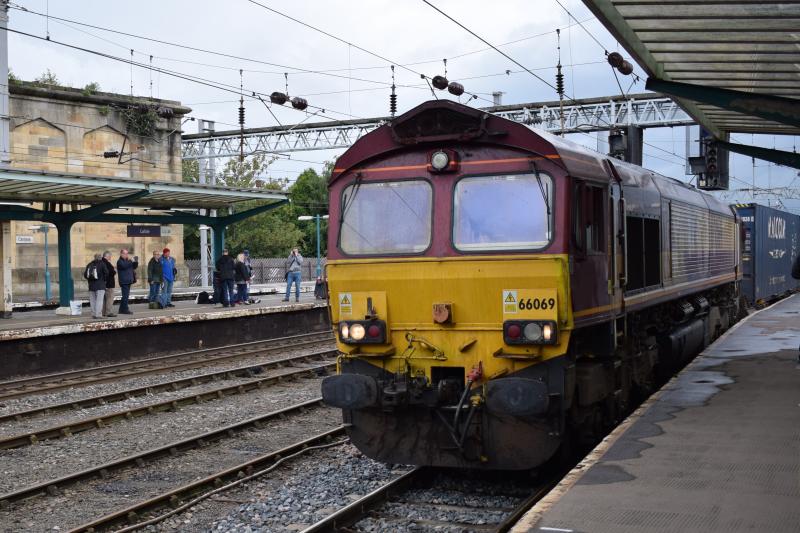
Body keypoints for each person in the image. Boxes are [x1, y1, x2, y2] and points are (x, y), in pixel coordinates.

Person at [84, 253, 108, 319]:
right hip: (100, 285)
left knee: (93, 300)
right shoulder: (102, 264)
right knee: (99, 300)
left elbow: (85, 275)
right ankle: (98, 314)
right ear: (100, 257)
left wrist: (90, 280)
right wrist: (104, 280)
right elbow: (106, 273)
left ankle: (94, 314)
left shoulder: (89, 264)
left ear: (94, 257)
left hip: (91, 286)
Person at [116, 249, 139, 315]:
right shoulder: (119, 261)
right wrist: (130, 261)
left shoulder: (127, 261)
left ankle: (121, 309)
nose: (126, 255)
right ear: (121, 254)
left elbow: (134, 267)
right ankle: (125, 310)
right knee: (125, 296)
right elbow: (124, 266)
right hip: (124, 281)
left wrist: (136, 261)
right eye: (125, 253)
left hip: (128, 280)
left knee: (125, 296)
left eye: (127, 253)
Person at [101, 250, 117, 317]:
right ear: (107, 256)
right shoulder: (106, 263)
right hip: (109, 284)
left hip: (104, 283)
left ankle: (103, 312)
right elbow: (111, 272)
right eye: (110, 256)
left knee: (104, 299)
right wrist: (114, 270)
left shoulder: (101, 262)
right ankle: (108, 312)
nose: (110, 257)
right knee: (109, 298)